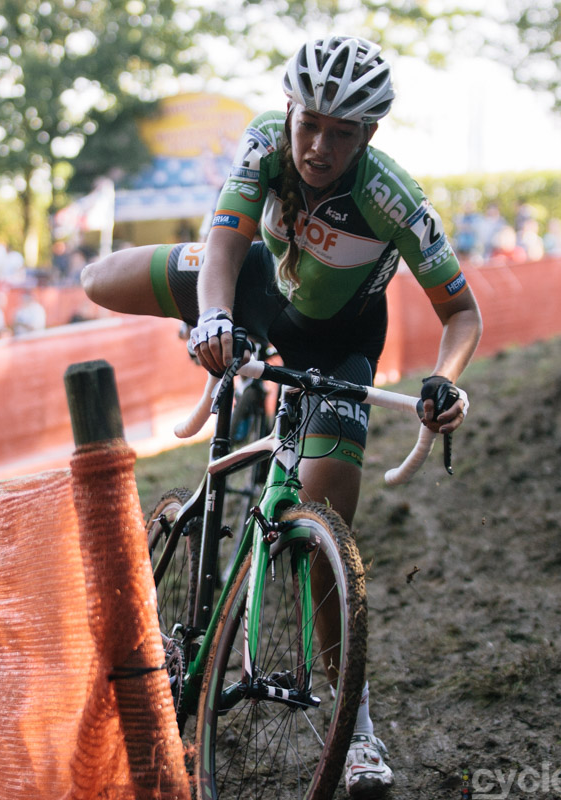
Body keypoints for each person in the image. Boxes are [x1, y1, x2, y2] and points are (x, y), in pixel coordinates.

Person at [82, 35, 482, 796]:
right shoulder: (266, 136)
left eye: (343, 132)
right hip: (253, 290)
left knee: (330, 515)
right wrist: (212, 316)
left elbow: (462, 315)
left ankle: (356, 727)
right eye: (310, 122)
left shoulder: (393, 198)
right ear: (291, 109)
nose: (319, 145)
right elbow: (228, 232)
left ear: (369, 136)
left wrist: (444, 380)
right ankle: (209, 329)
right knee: (101, 278)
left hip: (340, 347)